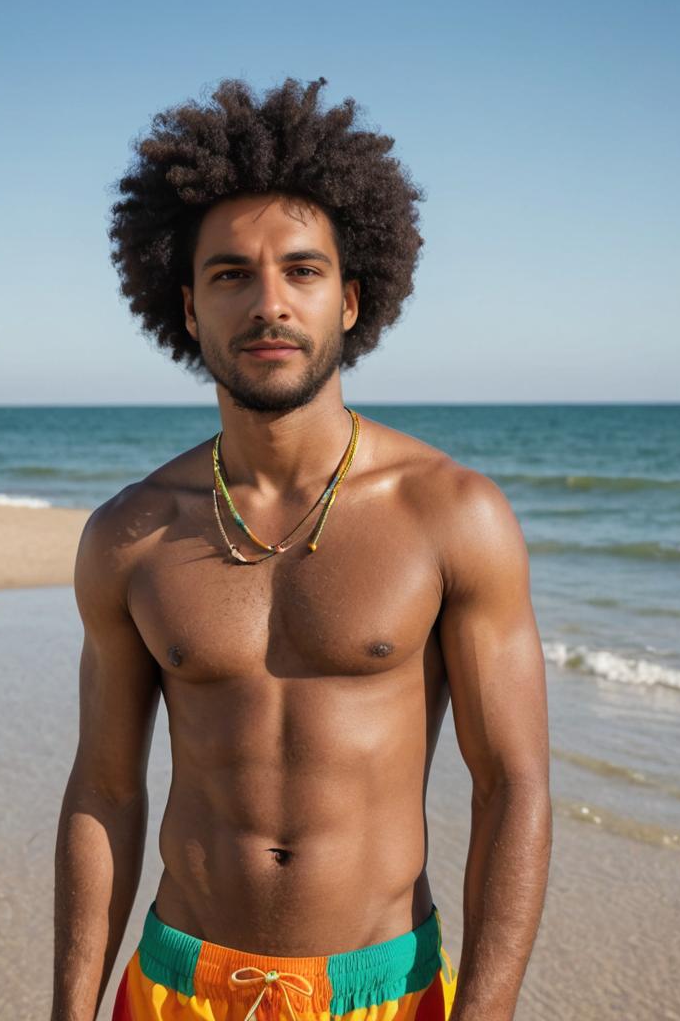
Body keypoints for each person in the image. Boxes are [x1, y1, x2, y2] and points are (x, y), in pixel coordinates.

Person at [51, 77, 551, 1021]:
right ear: (189, 311)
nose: (269, 303)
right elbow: (105, 789)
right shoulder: (130, 534)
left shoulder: (451, 514)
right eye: (231, 274)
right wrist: (68, 1011)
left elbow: (513, 787)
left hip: (384, 992)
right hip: (177, 989)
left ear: (353, 300)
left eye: (302, 271)